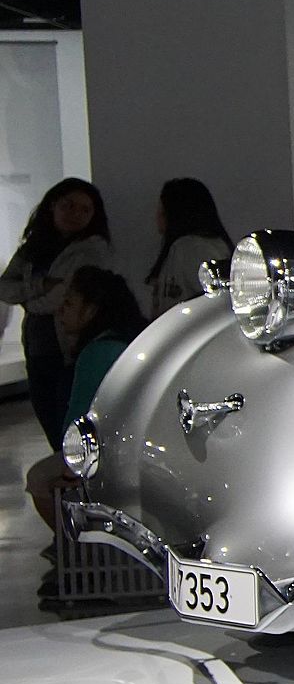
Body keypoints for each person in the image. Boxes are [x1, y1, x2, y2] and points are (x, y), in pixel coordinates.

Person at [26, 266, 145, 544]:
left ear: (91, 311)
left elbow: (76, 428)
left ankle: (76, 547)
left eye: (68, 303)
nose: (60, 311)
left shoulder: (96, 353)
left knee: (38, 479)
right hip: (136, 448)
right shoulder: (131, 341)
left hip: (108, 457)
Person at [0, 178, 114, 448]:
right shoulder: (33, 248)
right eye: (69, 206)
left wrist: (29, 299)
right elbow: (5, 287)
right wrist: (39, 285)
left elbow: (58, 299)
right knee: (49, 419)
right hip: (38, 347)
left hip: (70, 349)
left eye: (85, 210)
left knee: (69, 424)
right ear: (53, 206)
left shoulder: (92, 249)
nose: (75, 214)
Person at [146, 177, 233, 316]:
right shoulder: (186, 248)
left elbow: (218, 302)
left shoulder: (193, 249)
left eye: (161, 210)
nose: (156, 215)